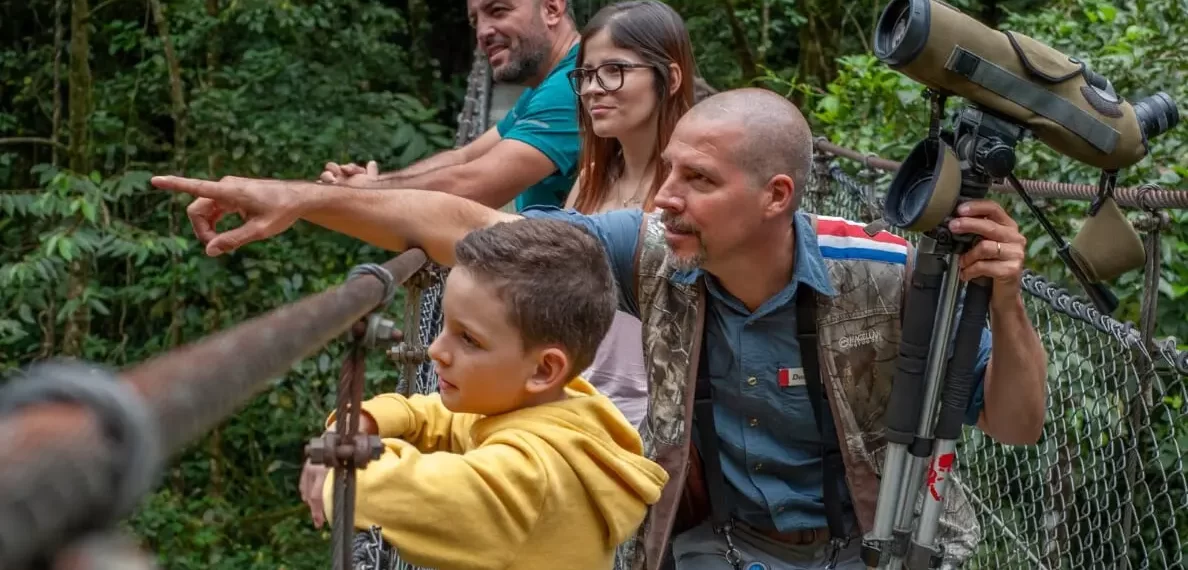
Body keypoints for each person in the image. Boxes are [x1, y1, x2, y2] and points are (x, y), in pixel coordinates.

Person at [152, 87, 1049, 570]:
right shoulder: (654, 248)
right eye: (668, 173)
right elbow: (469, 229)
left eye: (697, 180)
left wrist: (1002, 300)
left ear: (777, 198)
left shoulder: (885, 276)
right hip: (704, 547)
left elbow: (1012, 424)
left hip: (863, 550)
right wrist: (302, 201)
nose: (663, 197)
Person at [305, 217, 670, 569]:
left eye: (469, 339)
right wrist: (367, 419)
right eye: (445, 325)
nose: (435, 350)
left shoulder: (528, 476)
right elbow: (447, 417)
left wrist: (341, 463)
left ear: (544, 369)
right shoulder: (565, 407)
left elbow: (407, 496)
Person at [562, 0, 697, 430]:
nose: (593, 89)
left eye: (614, 70)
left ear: (670, 78)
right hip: (575, 402)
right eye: (585, 74)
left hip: (659, 421)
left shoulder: (694, 190)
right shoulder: (589, 182)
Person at [320, 0, 584, 212]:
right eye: (475, 21)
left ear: (551, 9)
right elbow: (466, 156)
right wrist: (375, 184)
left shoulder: (575, 83)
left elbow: (476, 184)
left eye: (498, 11)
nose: (482, 33)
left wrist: (368, 191)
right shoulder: (547, 84)